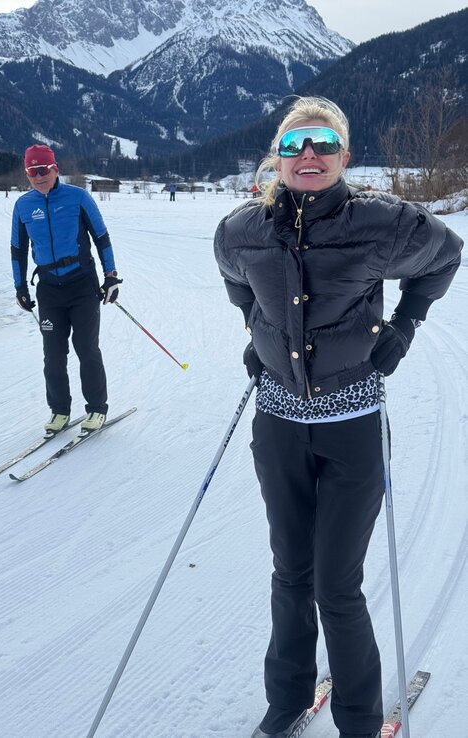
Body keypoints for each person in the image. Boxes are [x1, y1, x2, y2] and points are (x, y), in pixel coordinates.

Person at [213, 97, 462, 738]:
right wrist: (259, 330)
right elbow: (236, 281)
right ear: (277, 157)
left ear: (345, 157)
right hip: (277, 425)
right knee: (289, 573)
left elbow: (445, 255)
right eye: (295, 144)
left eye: (324, 143)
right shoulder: (240, 230)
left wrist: (403, 328)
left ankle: (357, 718)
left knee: (335, 585)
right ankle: (287, 699)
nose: (309, 155)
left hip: (352, 425)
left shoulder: (383, 223)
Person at [11, 144, 123, 434]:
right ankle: (59, 411)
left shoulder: (78, 198)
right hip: (48, 289)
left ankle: (97, 408)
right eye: (31, 171)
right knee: (54, 354)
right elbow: (17, 249)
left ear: (55, 169)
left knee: (86, 349)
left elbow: (102, 238)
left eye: (43, 170)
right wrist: (20, 286)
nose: (38, 176)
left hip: (82, 286)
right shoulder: (23, 205)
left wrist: (110, 276)